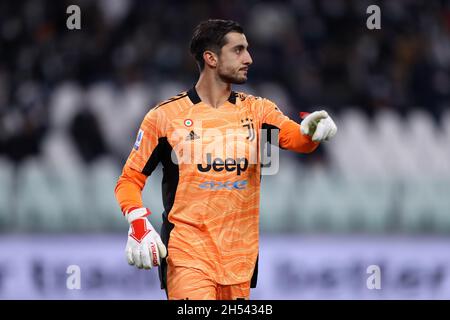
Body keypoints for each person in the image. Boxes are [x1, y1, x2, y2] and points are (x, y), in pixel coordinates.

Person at [114, 19, 337, 300]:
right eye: (239, 50)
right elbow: (129, 180)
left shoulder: (258, 111)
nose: (249, 58)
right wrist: (138, 223)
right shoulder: (164, 117)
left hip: (239, 261)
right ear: (211, 58)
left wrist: (313, 132)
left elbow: (297, 139)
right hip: (187, 257)